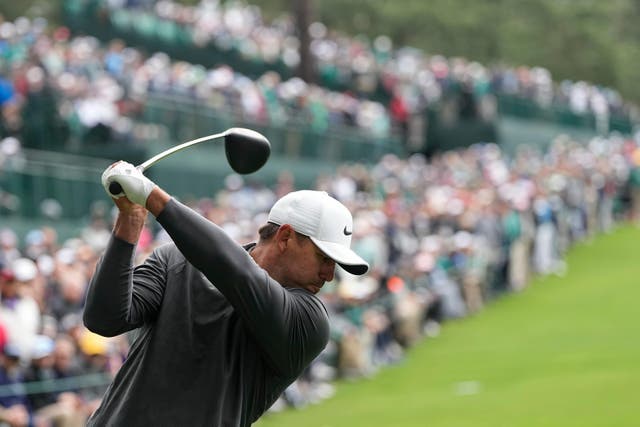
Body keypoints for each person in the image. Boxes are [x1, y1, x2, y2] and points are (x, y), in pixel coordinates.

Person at [82, 161, 369, 426]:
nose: (330, 275)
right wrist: (130, 219)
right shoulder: (177, 260)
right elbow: (104, 319)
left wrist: (151, 196)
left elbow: (238, 274)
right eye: (324, 258)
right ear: (284, 237)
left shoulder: (310, 321)